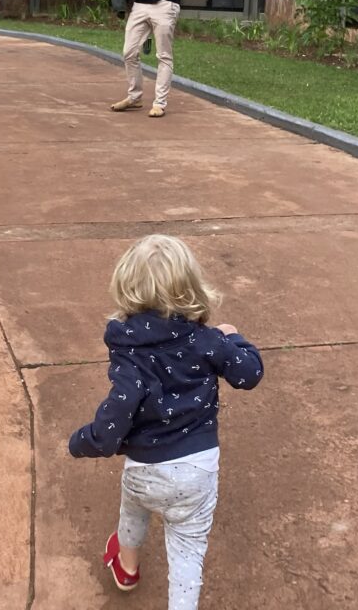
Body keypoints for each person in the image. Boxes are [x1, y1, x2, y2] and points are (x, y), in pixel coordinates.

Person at [68, 235, 263, 609]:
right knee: (187, 552)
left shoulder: (129, 352)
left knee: (133, 507)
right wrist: (234, 338)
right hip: (196, 470)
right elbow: (249, 374)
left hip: (144, 468)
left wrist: (83, 441)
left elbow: (115, 417)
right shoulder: (207, 341)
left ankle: (126, 566)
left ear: (127, 289)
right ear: (191, 289)